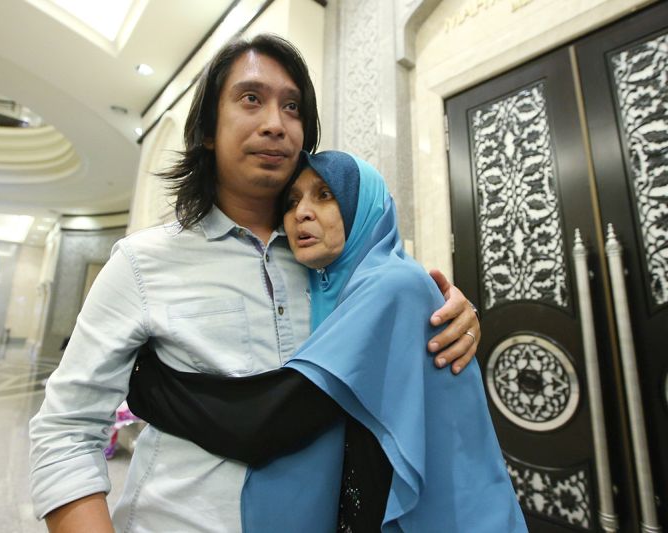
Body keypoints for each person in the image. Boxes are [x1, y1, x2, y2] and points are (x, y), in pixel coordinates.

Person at [29, 34, 481, 532]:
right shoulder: (143, 262)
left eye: (292, 107)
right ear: (207, 130)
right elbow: (66, 430)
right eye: (251, 99)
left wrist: (449, 317)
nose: (275, 124)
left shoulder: (334, 264)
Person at [128, 151, 526, 532]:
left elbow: (265, 420)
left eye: (324, 195)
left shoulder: (394, 285)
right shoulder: (343, 290)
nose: (301, 212)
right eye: (292, 200)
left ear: (363, 207)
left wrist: (144, 382)